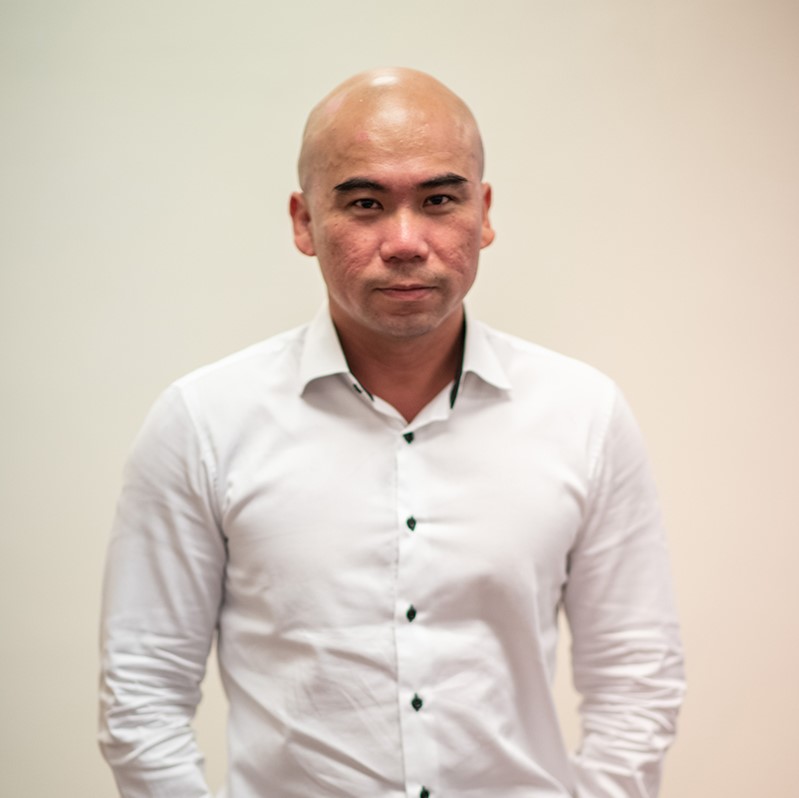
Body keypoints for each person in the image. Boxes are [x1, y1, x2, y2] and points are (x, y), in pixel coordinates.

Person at [99, 67, 685, 798]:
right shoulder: (203, 422)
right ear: (303, 222)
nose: (405, 242)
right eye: (365, 204)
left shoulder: (583, 413)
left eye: (439, 200)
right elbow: (142, 692)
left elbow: (636, 675)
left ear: (483, 213)